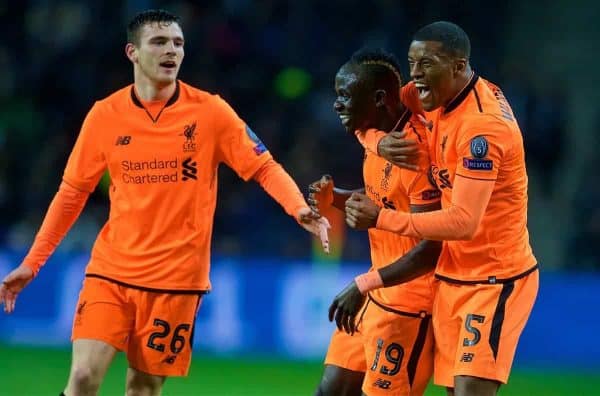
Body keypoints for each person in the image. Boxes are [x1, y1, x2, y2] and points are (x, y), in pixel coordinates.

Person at [0, 9, 329, 396]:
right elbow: (71, 194)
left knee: (142, 389)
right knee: (84, 377)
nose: (171, 50)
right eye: (159, 42)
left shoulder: (210, 112)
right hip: (112, 272)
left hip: (176, 282)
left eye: (178, 43)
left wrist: (298, 208)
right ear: (132, 53)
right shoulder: (104, 116)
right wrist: (32, 264)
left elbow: (263, 167)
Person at [329, 22, 539, 396]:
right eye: (412, 63)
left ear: (458, 66)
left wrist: (381, 218)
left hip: (494, 277)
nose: (415, 76)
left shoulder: (481, 129)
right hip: (450, 277)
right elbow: (367, 107)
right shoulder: (433, 94)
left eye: (426, 64)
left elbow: (463, 222)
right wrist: (377, 143)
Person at [310, 48, 442, 396]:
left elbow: (432, 246)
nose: (337, 105)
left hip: (409, 304)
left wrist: (363, 285)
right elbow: (381, 198)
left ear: (379, 98)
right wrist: (335, 198)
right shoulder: (377, 139)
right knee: (330, 391)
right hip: (375, 291)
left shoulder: (414, 153)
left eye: (345, 96)